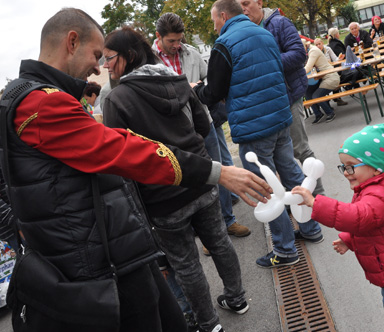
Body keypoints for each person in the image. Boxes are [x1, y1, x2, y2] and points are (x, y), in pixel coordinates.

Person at [0, 8, 270, 332]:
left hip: (102, 249)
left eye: (106, 58)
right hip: (97, 261)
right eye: (97, 54)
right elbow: (122, 150)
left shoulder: (22, 97)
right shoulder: (42, 104)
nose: (98, 66)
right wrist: (218, 172)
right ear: (72, 42)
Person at [102, 26, 250, 332]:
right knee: (220, 242)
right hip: (201, 178)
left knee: (186, 263)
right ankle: (237, 298)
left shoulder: (117, 100)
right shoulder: (176, 78)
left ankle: (208, 323)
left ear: (128, 57)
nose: (105, 66)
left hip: (162, 197)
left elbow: (122, 160)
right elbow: (204, 126)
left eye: (109, 58)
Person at [194, 0, 324, 268]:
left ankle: (285, 249)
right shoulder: (264, 33)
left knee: (265, 187)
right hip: (279, 117)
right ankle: (310, 227)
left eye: (214, 20)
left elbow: (214, 92)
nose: (214, 26)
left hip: (254, 127)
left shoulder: (224, 44)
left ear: (222, 15)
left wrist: (196, 90)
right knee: (290, 172)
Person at [292, 124, 384, 332]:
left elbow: (358, 217)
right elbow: (372, 224)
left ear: (375, 167)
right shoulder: (371, 189)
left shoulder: (380, 194)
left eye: (351, 166)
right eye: (343, 167)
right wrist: (349, 239)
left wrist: (315, 203)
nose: (346, 173)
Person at [152, 12, 250, 238]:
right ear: (158, 36)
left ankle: (228, 221)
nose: (177, 45)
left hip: (203, 122)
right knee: (193, 180)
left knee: (219, 170)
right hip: (172, 130)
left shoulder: (193, 54)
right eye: (171, 41)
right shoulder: (148, 61)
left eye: (180, 39)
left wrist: (201, 87)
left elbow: (209, 81)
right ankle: (208, 233)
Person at [238, 0, 330, 194]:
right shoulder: (243, 31)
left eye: (246, 3)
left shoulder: (279, 23)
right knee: (281, 155)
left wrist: (267, 63)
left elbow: (299, 55)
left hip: (289, 97)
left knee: (300, 149)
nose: (243, 9)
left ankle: (320, 197)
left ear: (259, 3)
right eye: (239, 6)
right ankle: (293, 198)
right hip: (266, 104)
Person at [303, 39, 339, 124]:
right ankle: (318, 114)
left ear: (305, 46)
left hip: (331, 77)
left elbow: (307, 68)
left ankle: (330, 113)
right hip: (322, 78)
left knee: (316, 96)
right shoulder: (308, 52)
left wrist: (296, 75)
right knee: (307, 93)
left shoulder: (313, 51)